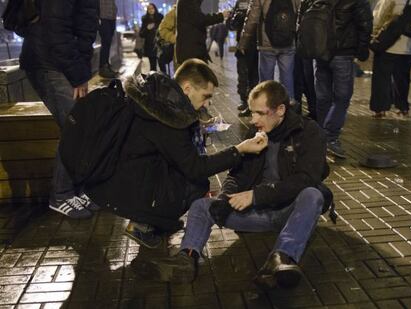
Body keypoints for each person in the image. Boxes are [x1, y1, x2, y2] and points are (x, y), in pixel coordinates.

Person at [132, 80, 332, 290]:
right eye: (252, 112)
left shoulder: (309, 132)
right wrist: (224, 198)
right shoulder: (256, 134)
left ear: (280, 110)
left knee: (312, 194)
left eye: (260, 113)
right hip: (255, 213)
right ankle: (186, 259)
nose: (254, 119)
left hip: (289, 212)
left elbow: (305, 179)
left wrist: (255, 195)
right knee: (201, 205)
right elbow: (237, 175)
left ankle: (281, 259)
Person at [85, 59, 268, 248]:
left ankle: (154, 219)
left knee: (182, 174)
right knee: (195, 183)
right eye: (205, 96)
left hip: (120, 173)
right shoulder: (168, 117)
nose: (208, 102)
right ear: (187, 88)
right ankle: (144, 224)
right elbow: (196, 167)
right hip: (125, 185)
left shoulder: (157, 97)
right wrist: (239, 149)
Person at [19, 0, 99, 219]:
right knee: (75, 125)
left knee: (80, 124)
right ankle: (61, 194)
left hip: (58, 60)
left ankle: (77, 190)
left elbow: (83, 25)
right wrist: (78, 75)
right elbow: (56, 29)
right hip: (49, 62)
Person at [304, 0, 372, 158]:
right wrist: (362, 50)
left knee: (323, 97)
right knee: (342, 97)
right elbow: (365, 24)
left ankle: (321, 136)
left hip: (320, 50)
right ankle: (330, 137)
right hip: (343, 52)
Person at [238, 0, 301, 101]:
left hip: (267, 43)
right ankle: (288, 108)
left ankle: (266, 106)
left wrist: (243, 42)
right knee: (287, 77)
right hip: (288, 41)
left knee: (266, 81)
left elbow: (252, 18)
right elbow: (300, 12)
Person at [369, 0, 411, 118]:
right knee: (402, 79)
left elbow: (378, 17)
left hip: (387, 45)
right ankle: (403, 107)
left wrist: (374, 34)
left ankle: (380, 108)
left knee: (381, 78)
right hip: (408, 48)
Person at [227, 0, 259, 117]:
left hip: (256, 43)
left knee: (254, 76)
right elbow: (230, 24)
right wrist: (235, 18)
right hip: (242, 42)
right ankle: (245, 101)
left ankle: (254, 104)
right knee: (243, 74)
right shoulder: (240, 3)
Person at [175, 0, 230, 65]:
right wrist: (221, 16)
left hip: (193, 50)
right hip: (191, 52)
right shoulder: (188, 2)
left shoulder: (191, 3)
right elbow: (201, 19)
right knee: (197, 74)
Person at [140, 3, 163, 71]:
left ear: (155, 8)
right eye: (149, 9)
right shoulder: (145, 19)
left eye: (152, 8)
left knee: (162, 65)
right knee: (153, 67)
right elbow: (141, 34)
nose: (151, 10)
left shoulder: (160, 17)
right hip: (150, 46)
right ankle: (154, 80)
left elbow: (164, 30)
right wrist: (147, 28)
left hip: (160, 45)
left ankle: (164, 80)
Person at [98, 0, 119, 79]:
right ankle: (103, 67)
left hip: (112, 18)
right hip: (103, 18)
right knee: (105, 42)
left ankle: (106, 64)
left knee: (108, 42)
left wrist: (115, 11)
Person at [157, 4, 176, 74]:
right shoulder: (174, 12)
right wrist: (174, 39)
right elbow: (162, 29)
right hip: (177, 50)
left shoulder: (196, 10)